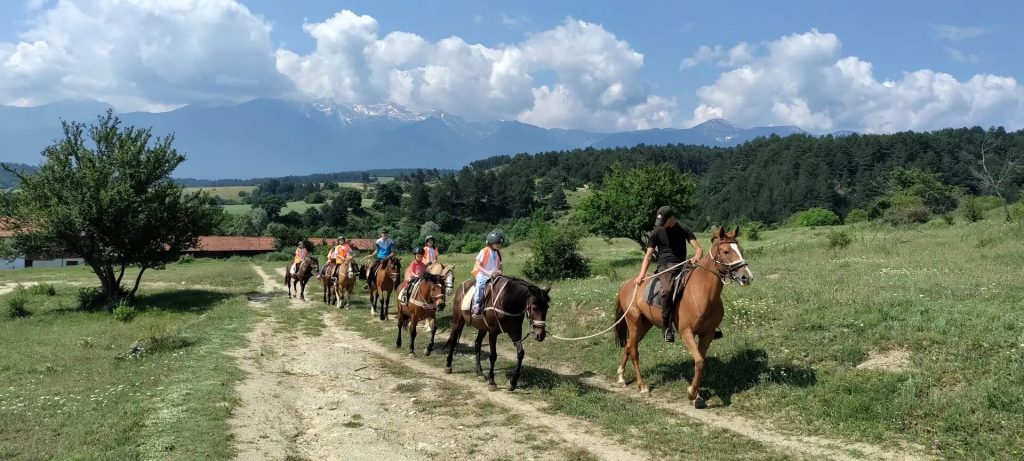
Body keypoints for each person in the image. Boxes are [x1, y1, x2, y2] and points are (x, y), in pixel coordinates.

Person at [634, 206, 703, 343]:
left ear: (671, 218)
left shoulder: (684, 229)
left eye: (663, 222)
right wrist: (641, 275)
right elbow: (648, 256)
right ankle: (666, 327)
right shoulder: (656, 232)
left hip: (683, 264)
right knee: (667, 290)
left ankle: (710, 322)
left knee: (703, 283)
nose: (660, 225)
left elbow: (698, 249)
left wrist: (697, 256)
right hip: (665, 267)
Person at [470, 231, 505, 319]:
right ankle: (476, 305)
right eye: (497, 243)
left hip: (495, 274)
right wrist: (487, 272)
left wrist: (499, 271)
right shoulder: (484, 251)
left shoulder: (499, 253)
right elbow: (478, 265)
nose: (498, 245)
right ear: (491, 243)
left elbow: (500, 266)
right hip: (483, 273)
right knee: (480, 285)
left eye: (499, 243)